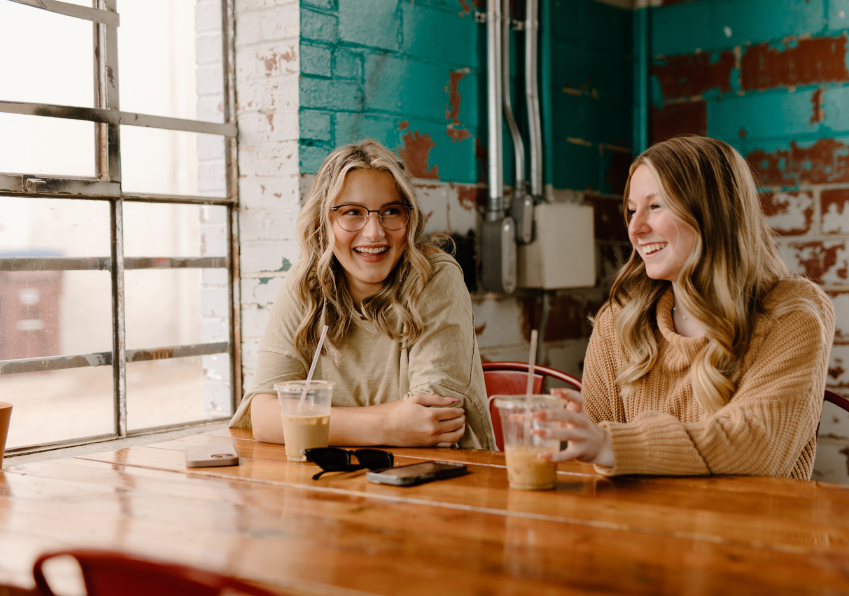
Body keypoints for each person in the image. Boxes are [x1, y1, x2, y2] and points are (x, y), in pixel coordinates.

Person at [537, 136, 834, 479]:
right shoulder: (619, 319)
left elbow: (756, 446)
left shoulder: (794, 312)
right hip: (642, 528)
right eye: (632, 211)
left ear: (713, 212)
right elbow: (591, 463)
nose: (635, 228)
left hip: (753, 529)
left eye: (656, 206)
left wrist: (612, 443)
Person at [230, 139, 495, 450]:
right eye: (352, 212)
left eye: (391, 212)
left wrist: (307, 418)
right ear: (322, 222)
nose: (374, 232)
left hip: (444, 479)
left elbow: (431, 420)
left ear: (408, 219)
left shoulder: (434, 276)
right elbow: (263, 416)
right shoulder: (305, 283)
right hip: (338, 482)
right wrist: (387, 426)